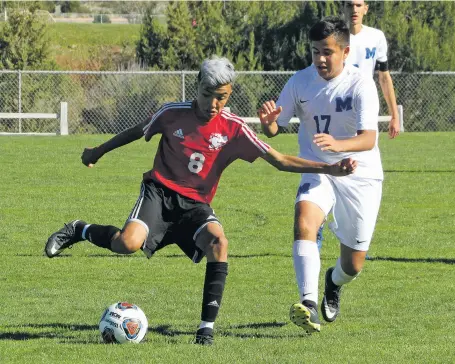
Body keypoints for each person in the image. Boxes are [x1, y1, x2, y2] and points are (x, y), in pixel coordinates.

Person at [44, 56, 357, 345]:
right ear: (197, 88)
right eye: (208, 94)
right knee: (127, 243)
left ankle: (206, 328)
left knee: (219, 243)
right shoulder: (172, 113)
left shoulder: (234, 128)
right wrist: (98, 150)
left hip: (196, 206)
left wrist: (330, 167)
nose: (214, 103)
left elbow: (279, 159)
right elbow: (138, 131)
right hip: (159, 194)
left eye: (222, 96)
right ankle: (79, 229)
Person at [259, 17, 383, 334]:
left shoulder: (361, 84)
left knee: (352, 265)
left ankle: (333, 281)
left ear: (345, 51)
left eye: (327, 52)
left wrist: (338, 144)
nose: (320, 60)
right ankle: (309, 304)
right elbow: (275, 129)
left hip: (360, 175)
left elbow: (369, 138)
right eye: (315, 52)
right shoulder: (300, 82)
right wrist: (269, 123)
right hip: (318, 168)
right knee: (304, 218)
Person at [343, 0, 400, 139]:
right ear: (344, 8)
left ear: (365, 9)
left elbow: (384, 78)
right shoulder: (335, 37)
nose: (354, 10)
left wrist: (394, 115)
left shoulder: (376, 36)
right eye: (349, 5)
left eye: (358, 5)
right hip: (340, 102)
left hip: (366, 101)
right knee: (340, 154)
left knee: (368, 150)